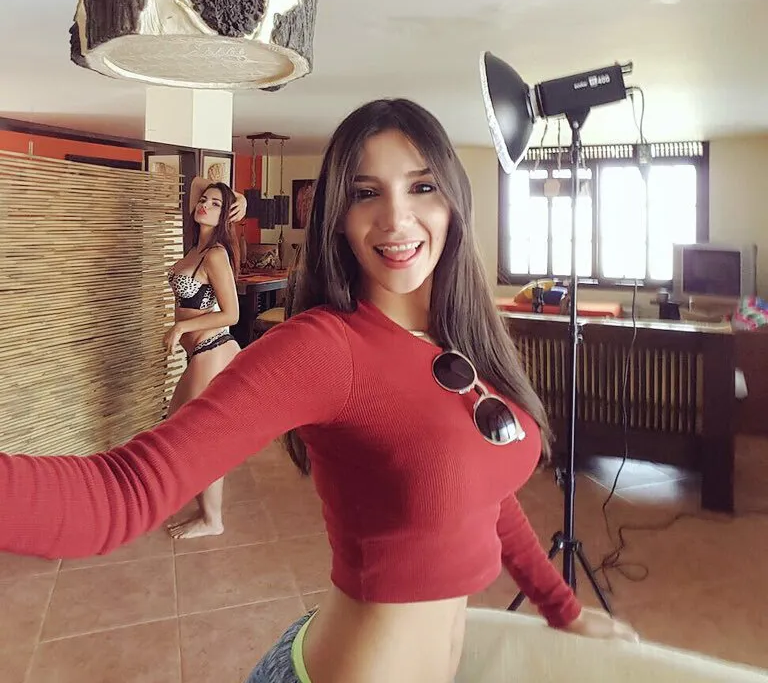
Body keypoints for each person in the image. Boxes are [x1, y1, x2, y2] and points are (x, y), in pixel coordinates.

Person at [0, 99, 638, 683]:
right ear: (337, 217)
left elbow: (486, 492)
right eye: (366, 193)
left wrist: (562, 609)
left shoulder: (460, 341)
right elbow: (122, 492)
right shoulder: (324, 350)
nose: (396, 218)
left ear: (454, 203)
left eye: (422, 186)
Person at [164, 179, 242, 538]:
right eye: (204, 200)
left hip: (213, 348)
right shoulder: (196, 248)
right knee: (176, 429)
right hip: (200, 352)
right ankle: (200, 506)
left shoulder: (215, 254)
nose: (205, 205)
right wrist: (236, 198)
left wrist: (180, 328)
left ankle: (212, 520)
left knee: (196, 437)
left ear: (224, 215)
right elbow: (197, 182)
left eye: (215, 204)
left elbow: (232, 314)